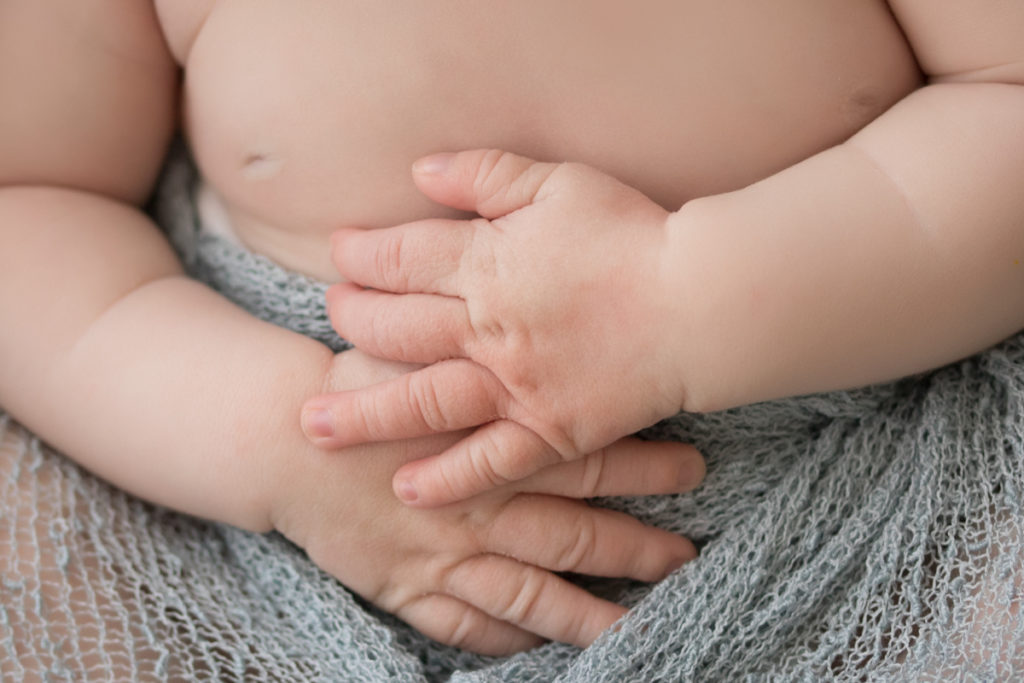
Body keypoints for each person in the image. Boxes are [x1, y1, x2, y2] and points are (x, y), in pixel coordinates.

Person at [1, 0, 1022, 679]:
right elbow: (33, 202)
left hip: (881, 453)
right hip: (269, 491)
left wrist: (686, 299)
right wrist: (268, 440)